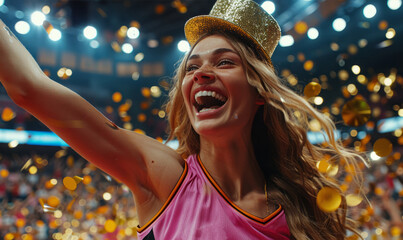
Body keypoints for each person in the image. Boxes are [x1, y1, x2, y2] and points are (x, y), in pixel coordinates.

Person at [0, 0, 367, 239]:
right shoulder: (162, 174)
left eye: (224, 62)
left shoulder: (299, 213)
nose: (201, 73)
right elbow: (29, 87)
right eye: (192, 66)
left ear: (259, 93)